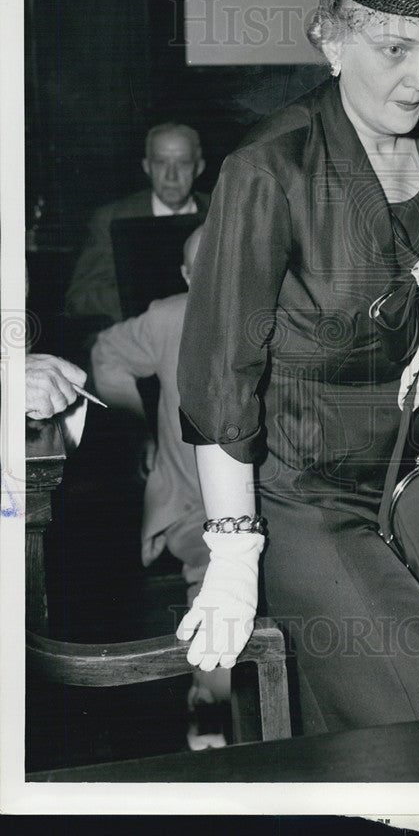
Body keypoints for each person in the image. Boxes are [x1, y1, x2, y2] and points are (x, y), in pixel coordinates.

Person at [175, 0, 419, 735]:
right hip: (296, 501)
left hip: (403, 485)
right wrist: (233, 545)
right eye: (393, 48)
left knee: (351, 740)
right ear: (331, 43)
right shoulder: (269, 169)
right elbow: (220, 375)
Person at [91, 225, 229, 748]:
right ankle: (211, 703)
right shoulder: (168, 318)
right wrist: (134, 429)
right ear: (187, 277)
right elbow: (107, 352)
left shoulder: (277, 315)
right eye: (203, 272)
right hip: (193, 503)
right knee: (217, 572)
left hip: (272, 500)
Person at [65, 122, 210, 325]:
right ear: (146, 167)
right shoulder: (112, 218)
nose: (171, 176)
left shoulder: (221, 213)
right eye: (161, 162)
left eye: (183, 163)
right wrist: (140, 300)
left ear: (199, 167)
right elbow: (79, 300)